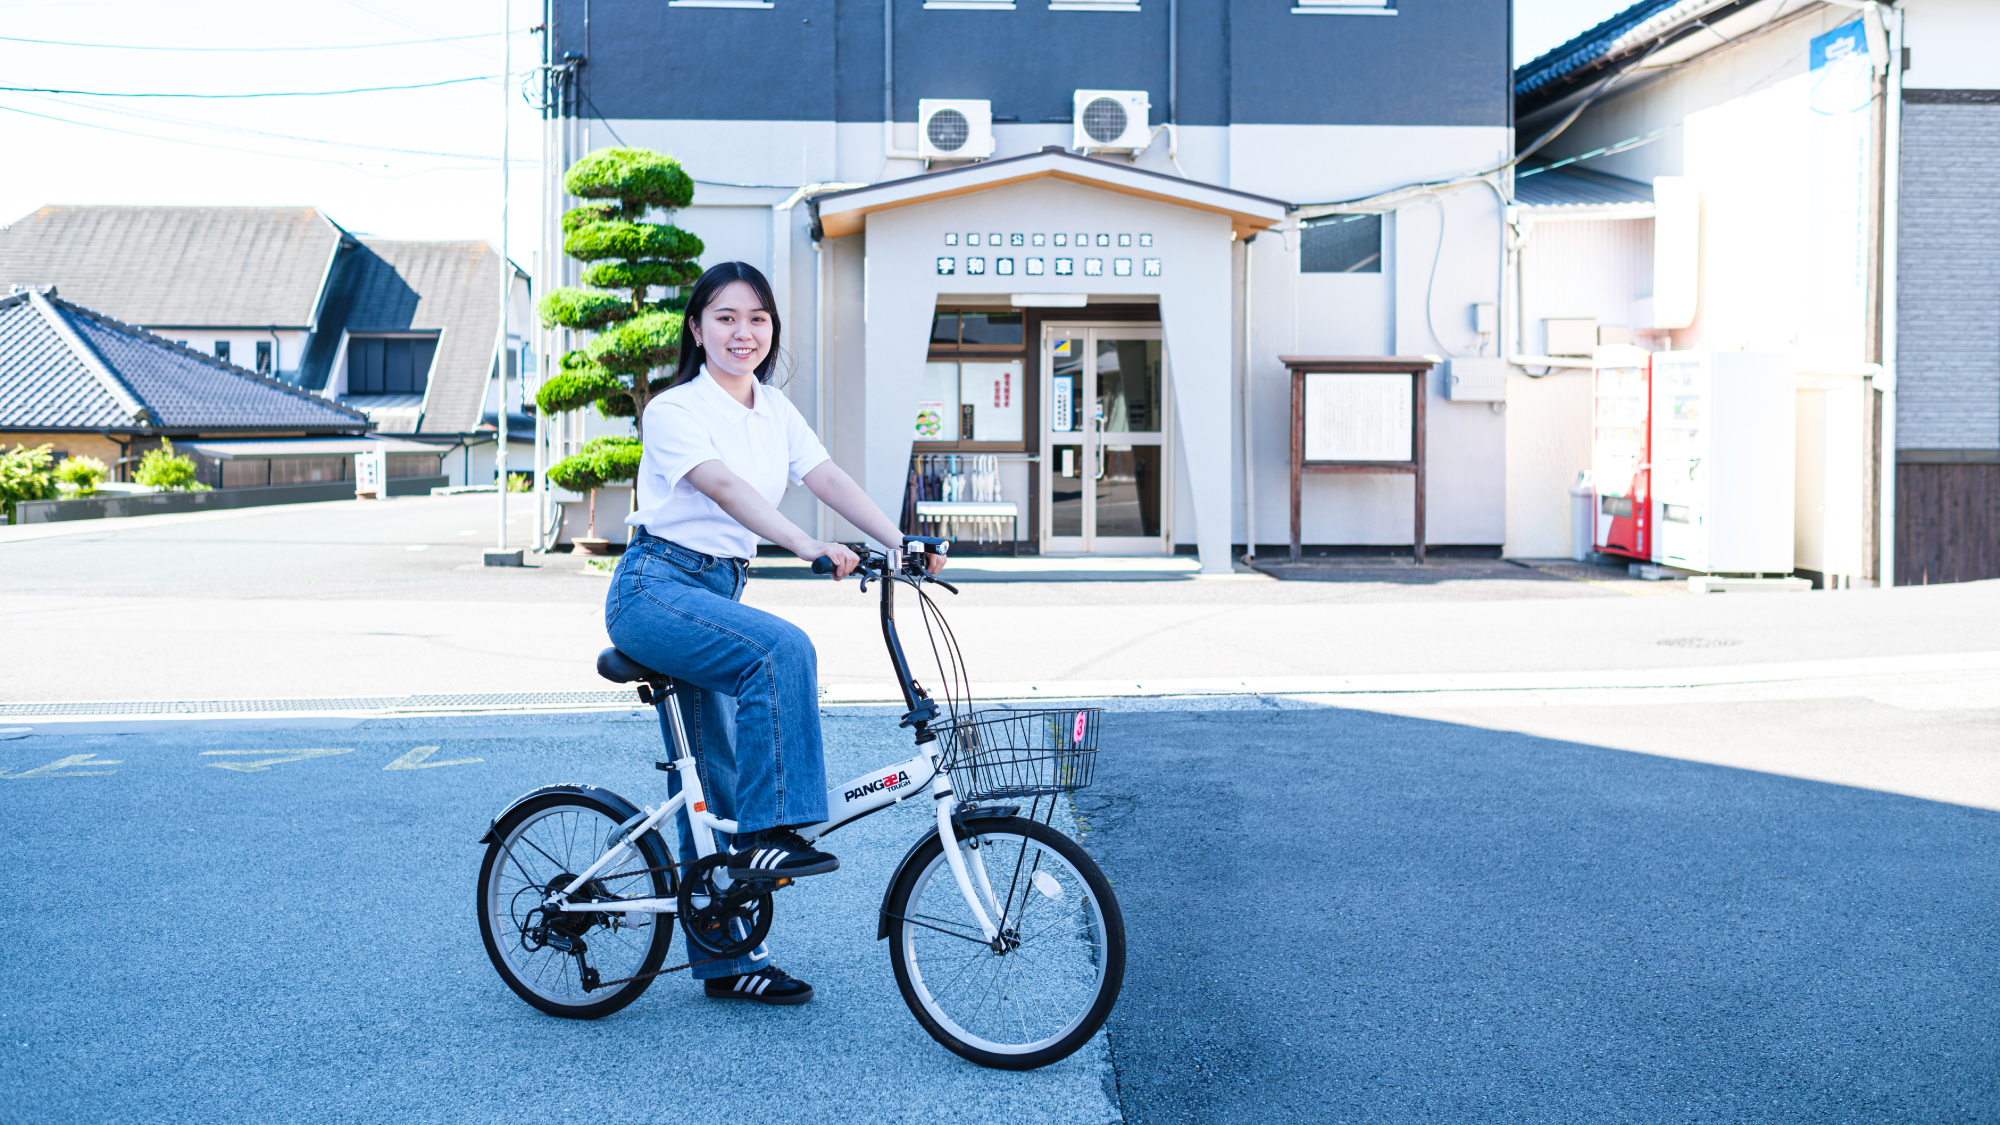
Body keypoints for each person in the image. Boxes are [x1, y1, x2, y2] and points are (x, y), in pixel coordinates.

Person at [605, 260, 944, 1007]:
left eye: (757, 318)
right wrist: (806, 545)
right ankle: (774, 828)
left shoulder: (774, 409)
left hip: (716, 590)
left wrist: (899, 541)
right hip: (656, 588)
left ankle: (729, 959)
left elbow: (828, 478)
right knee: (781, 649)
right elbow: (720, 486)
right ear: (696, 329)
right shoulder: (674, 409)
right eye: (725, 317)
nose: (743, 332)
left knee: (714, 780)